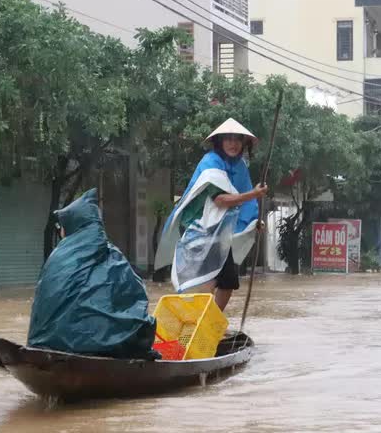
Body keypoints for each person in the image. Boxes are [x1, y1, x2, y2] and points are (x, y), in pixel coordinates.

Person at [27, 189, 158, 359]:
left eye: (62, 227)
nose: (61, 232)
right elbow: (135, 297)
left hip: (43, 343)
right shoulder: (111, 255)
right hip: (96, 346)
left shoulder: (56, 256)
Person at [155, 118, 268, 311]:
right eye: (228, 139)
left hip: (221, 234)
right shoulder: (210, 163)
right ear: (219, 142)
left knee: (228, 281)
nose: (233, 144)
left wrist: (253, 223)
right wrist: (254, 194)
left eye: (238, 140)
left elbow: (245, 203)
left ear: (244, 144)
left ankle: (210, 321)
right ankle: (196, 325)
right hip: (201, 230)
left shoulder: (240, 167)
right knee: (205, 281)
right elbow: (221, 200)